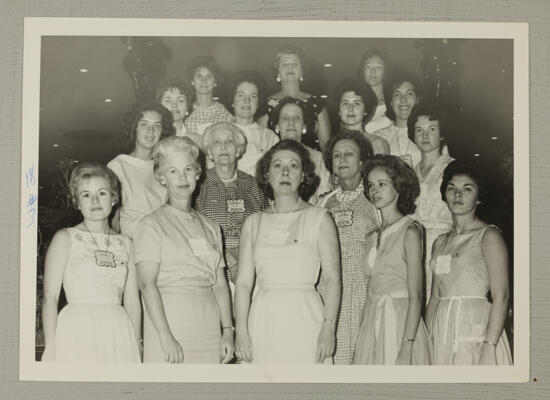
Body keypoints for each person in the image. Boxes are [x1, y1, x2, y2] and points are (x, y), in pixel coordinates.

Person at [234, 140, 341, 364]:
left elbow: (332, 279)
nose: (285, 172)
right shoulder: (253, 223)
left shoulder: (319, 218)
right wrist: (241, 332)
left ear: (303, 175)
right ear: (267, 175)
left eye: (293, 166)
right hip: (264, 319)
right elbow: (243, 283)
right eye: (277, 165)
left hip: (305, 317)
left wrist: (328, 327)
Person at [134, 136, 234, 363]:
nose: (182, 177)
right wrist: (165, 335)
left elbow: (219, 284)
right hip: (170, 324)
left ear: (197, 174)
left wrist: (228, 330)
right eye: (173, 171)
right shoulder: (151, 224)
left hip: (208, 326)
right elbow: (146, 284)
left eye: (188, 169)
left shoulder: (211, 227)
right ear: (161, 177)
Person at [41, 163, 141, 362]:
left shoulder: (126, 243)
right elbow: (50, 298)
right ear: (77, 202)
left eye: (102, 193)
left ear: (114, 198)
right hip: (77, 329)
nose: (94, 200)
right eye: (86, 195)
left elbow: (132, 301)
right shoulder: (65, 238)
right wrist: (50, 346)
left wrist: (137, 343)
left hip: (117, 331)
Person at [425, 161, 512, 365]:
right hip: (442, 329)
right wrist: (426, 341)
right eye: (452, 188)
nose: (457, 195)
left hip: (474, 331)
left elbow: (502, 296)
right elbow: (435, 298)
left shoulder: (488, 235)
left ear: (479, 197)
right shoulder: (440, 242)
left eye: (467, 189)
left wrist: (489, 347)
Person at [353, 155, 431, 365]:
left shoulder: (410, 230)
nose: (374, 190)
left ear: (398, 186)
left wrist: (406, 345)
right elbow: (370, 292)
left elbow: (417, 295)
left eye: (381, 184)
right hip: (373, 319)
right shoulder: (371, 236)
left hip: (399, 320)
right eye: (370, 185)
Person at [317, 131, 380, 364]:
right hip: (328, 288)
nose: (342, 159)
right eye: (337, 155)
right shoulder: (322, 202)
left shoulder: (375, 199)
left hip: (363, 288)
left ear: (362, 161)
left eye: (349, 154)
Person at [196, 122, 266, 287]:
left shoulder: (252, 184)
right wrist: (232, 262)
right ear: (210, 152)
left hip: (252, 269)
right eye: (217, 142)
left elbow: (263, 227)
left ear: (238, 150)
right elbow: (196, 232)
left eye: (229, 141)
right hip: (213, 272)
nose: (224, 146)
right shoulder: (199, 185)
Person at [408, 102, 455, 302]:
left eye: (431, 129)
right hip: (415, 249)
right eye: (419, 130)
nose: (425, 136)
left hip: (445, 246)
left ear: (441, 133)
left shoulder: (452, 167)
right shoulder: (409, 173)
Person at [107, 100, 173, 239]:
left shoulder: (165, 167)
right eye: (144, 124)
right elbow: (112, 217)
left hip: (163, 242)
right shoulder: (119, 166)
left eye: (157, 126)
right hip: (133, 244)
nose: (151, 131)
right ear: (134, 127)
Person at [258, 45, 331, 150]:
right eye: (284, 64)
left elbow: (326, 147)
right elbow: (261, 147)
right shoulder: (266, 105)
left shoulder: (317, 104)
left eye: (294, 63)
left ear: (302, 71)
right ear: (277, 72)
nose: (290, 67)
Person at [273, 97, 332, 203]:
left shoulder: (320, 160)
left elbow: (325, 199)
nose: (291, 122)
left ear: (304, 127)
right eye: (285, 118)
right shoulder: (267, 160)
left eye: (297, 118)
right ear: (277, 126)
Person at [228, 71, 280, 177]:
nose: (246, 101)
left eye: (253, 96)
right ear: (232, 101)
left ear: (258, 103)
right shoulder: (219, 133)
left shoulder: (270, 138)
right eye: (240, 95)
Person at [372, 74, 422, 168]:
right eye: (397, 94)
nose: (403, 99)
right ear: (390, 102)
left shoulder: (428, 133)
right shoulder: (379, 137)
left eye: (409, 94)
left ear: (417, 100)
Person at [335, 78, 390, 155]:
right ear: (339, 111)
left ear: (365, 110)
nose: (350, 109)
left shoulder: (376, 144)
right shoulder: (334, 145)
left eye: (357, 103)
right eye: (345, 103)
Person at [184, 55, 234, 137]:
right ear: (192, 81)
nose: (204, 80)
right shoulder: (185, 113)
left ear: (215, 82)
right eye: (199, 76)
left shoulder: (226, 115)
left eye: (209, 76)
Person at [358, 49, 393, 134]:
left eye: (378, 67)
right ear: (363, 72)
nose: (373, 71)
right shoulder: (356, 103)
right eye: (368, 67)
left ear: (385, 73)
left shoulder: (394, 102)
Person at [156, 78, 202, 144]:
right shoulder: (153, 138)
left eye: (180, 100)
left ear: (188, 106)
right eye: (168, 101)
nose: (174, 105)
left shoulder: (197, 141)